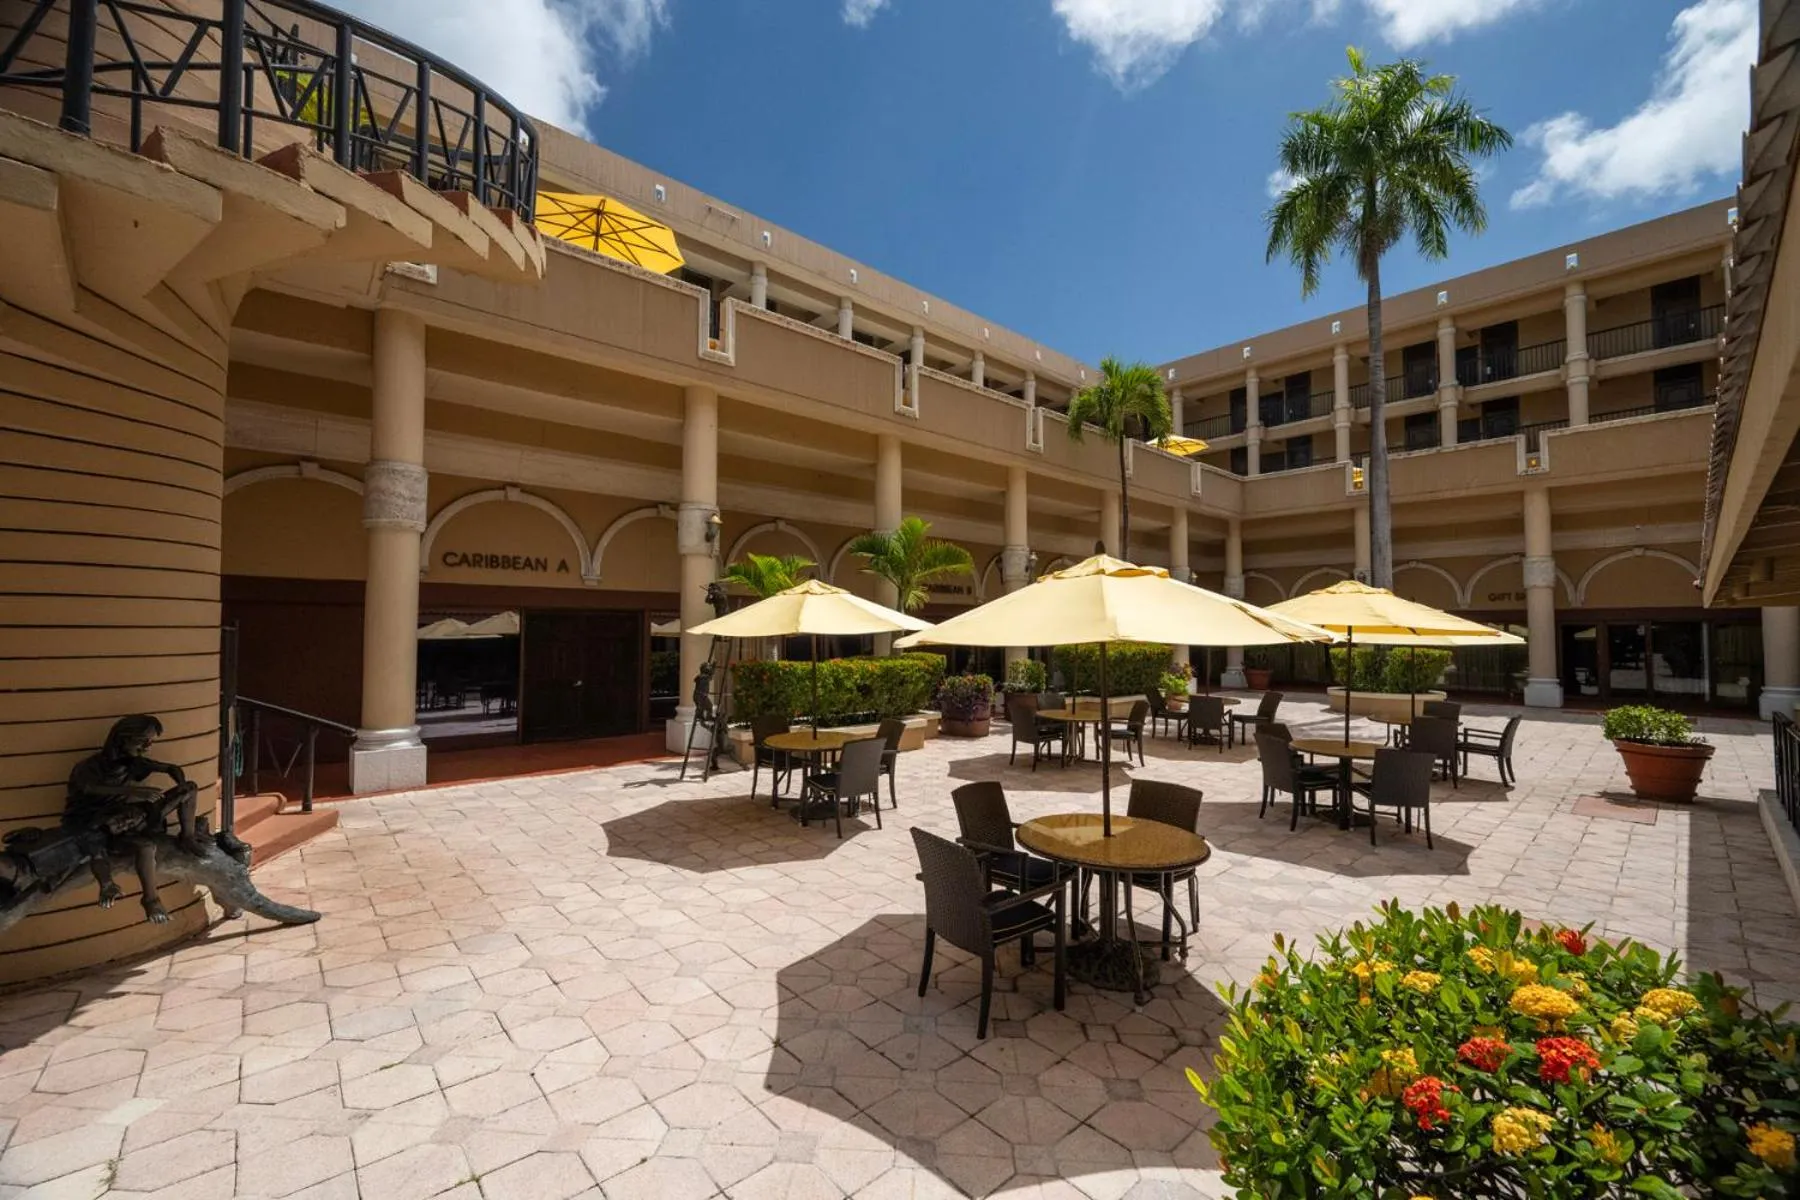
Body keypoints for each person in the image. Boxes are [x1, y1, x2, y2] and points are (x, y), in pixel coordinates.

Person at [63, 715, 205, 924]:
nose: (147, 747)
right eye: (142, 741)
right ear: (123, 738)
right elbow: (89, 788)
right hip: (98, 826)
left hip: (128, 816)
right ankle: (151, 900)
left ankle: (188, 837)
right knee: (145, 847)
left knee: (189, 789)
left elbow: (171, 768)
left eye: (150, 742)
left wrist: (179, 781)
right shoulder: (89, 767)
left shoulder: (134, 763)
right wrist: (133, 791)